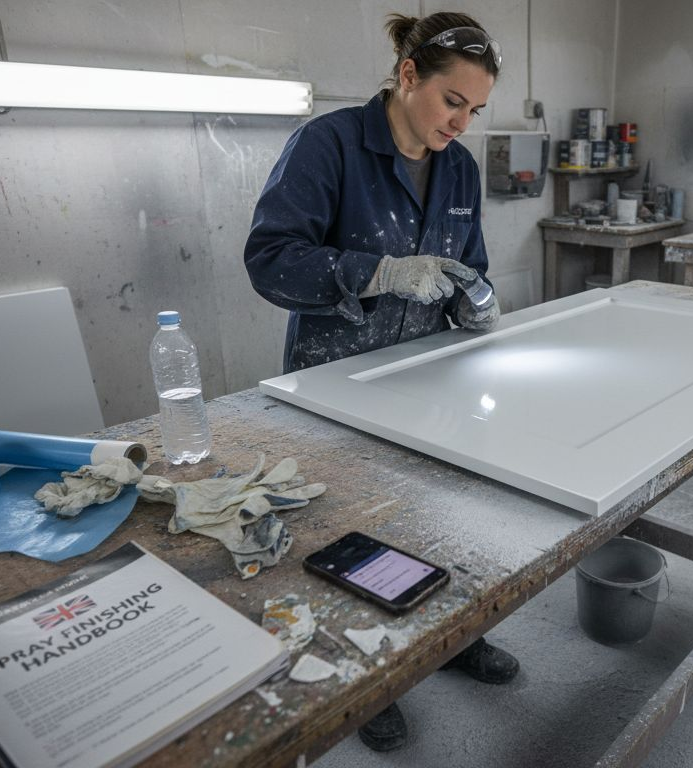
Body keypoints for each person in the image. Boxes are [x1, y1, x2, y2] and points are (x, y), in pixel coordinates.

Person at [244, 11, 517, 753]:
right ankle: (367, 676)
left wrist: (475, 300)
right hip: (335, 380)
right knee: (352, 539)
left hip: (425, 376)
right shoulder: (328, 145)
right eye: (452, 101)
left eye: (475, 110)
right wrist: (378, 272)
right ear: (407, 76)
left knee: (439, 521)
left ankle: (452, 639)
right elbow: (270, 261)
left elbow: (472, 263)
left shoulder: (458, 168)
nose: (461, 122)